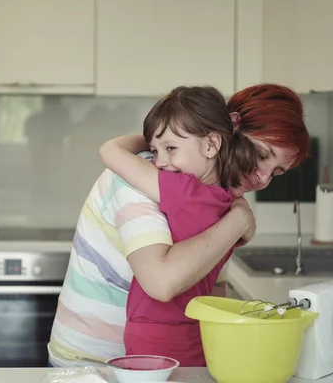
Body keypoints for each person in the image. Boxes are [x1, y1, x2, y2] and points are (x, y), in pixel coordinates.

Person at [47, 83, 310, 368]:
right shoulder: (142, 176)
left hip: (165, 366)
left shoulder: (221, 196)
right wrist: (240, 220)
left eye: (277, 172)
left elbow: (213, 290)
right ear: (229, 129)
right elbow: (161, 282)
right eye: (261, 155)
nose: (262, 179)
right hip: (91, 365)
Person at [98, 85, 261, 366]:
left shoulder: (183, 190)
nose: (160, 162)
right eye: (154, 151)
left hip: (153, 336)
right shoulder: (228, 204)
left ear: (211, 145)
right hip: (198, 333)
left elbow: (110, 150)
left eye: (171, 148)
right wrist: (165, 136)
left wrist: (148, 139)